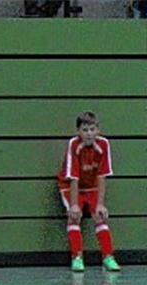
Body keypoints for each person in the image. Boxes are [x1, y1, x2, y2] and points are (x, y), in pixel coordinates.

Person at [57, 111, 119, 274]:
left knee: (100, 216)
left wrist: (100, 204)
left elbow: (102, 175)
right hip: (70, 186)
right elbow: (73, 177)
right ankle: (77, 257)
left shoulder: (104, 145)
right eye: (85, 130)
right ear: (78, 131)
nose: (89, 134)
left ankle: (108, 257)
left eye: (92, 129)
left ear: (98, 130)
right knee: (73, 216)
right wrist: (75, 205)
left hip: (92, 186)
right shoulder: (74, 145)